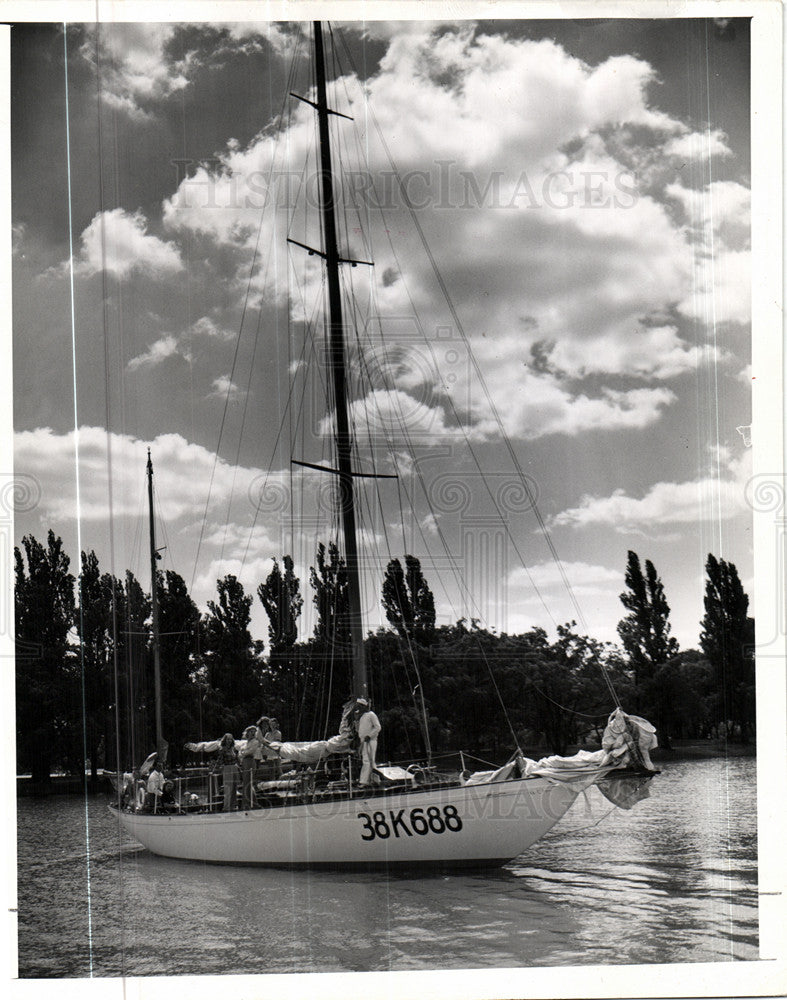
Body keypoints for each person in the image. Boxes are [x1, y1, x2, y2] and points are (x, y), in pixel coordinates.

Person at [355, 698, 381, 787]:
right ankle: (374, 780)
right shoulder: (362, 717)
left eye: (359, 706)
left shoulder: (371, 715)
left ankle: (364, 781)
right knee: (368, 761)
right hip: (364, 741)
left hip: (370, 741)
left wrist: (369, 735)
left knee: (368, 761)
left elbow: (378, 727)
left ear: (363, 706)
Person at [213, 733, 239, 811]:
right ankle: (226, 807)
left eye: (231, 739)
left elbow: (237, 759)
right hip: (227, 768)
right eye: (228, 739)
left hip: (234, 768)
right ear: (225, 740)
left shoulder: (233, 749)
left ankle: (233, 806)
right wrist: (214, 769)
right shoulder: (222, 749)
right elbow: (219, 761)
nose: (229, 741)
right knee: (228, 788)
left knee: (234, 788)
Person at [239, 725, 261, 809]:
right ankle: (250, 803)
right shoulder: (245, 743)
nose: (252, 733)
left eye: (254, 732)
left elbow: (250, 752)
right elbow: (240, 753)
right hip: (244, 762)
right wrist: (243, 753)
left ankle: (250, 803)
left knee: (248, 782)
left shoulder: (255, 742)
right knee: (246, 783)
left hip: (250, 761)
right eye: (250, 731)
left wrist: (243, 752)